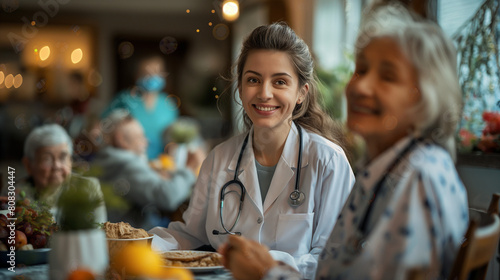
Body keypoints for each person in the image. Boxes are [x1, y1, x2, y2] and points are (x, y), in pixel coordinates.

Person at [219, 3, 469, 280]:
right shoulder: (388, 170)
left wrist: (266, 273)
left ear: (423, 96)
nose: (360, 86)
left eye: (388, 76)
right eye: (361, 70)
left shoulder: (418, 180)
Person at [149, 22, 355, 278]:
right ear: (240, 87)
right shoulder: (219, 159)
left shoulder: (329, 162)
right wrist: (141, 245)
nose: (264, 93)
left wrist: (264, 264)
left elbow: (336, 260)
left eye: (280, 82)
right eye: (253, 80)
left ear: (301, 93)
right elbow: (191, 234)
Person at [92, 109, 205, 229]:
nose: (146, 142)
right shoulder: (128, 166)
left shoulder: (106, 160)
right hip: (134, 238)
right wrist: (189, 169)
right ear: (121, 140)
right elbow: (168, 197)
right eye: (140, 137)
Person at [21, 124, 107, 224]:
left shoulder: (88, 189)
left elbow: (99, 233)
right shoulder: (15, 195)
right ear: (28, 165)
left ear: (71, 161)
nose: (57, 166)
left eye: (63, 158)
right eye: (47, 159)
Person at [102, 55, 179, 159]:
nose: (152, 77)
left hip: (160, 163)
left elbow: (173, 136)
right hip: (128, 161)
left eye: (156, 73)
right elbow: (103, 126)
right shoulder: (125, 99)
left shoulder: (168, 104)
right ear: (137, 76)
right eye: (146, 74)